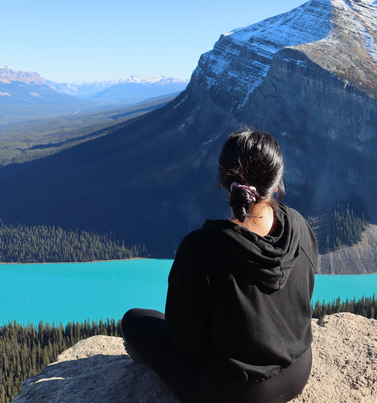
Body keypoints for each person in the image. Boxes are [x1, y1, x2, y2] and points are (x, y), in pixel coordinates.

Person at [121, 129, 318, 403]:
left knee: (135, 321)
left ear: (225, 184)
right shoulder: (298, 225)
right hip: (299, 370)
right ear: (276, 184)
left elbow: (188, 343)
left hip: (237, 394)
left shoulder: (201, 249)